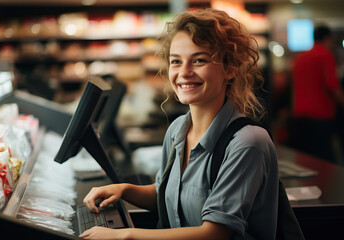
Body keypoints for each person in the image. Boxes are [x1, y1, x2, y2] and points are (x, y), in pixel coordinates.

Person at [80, 8, 278, 240]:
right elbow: (170, 195)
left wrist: (125, 236)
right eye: (176, 61)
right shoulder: (178, 130)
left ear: (229, 69)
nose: (184, 72)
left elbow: (214, 233)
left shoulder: (248, 143)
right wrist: (124, 190)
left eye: (199, 60)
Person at [290, 25, 344, 163]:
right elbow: (332, 85)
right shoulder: (326, 55)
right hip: (321, 115)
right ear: (328, 38)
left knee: (305, 159)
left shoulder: (300, 58)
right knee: (324, 160)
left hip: (300, 114)